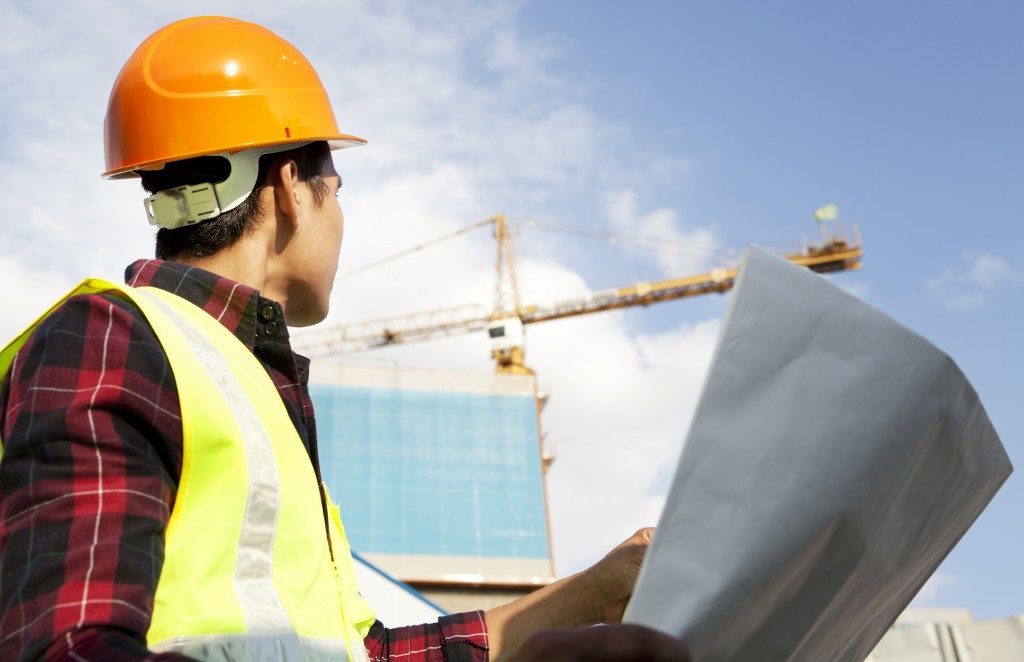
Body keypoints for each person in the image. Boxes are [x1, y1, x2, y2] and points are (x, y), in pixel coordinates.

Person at [0, 16, 689, 662]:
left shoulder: (254, 395)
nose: (341, 218)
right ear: (290, 185)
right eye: (339, 186)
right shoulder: (112, 337)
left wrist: (588, 595)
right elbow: (69, 646)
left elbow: (360, 653)